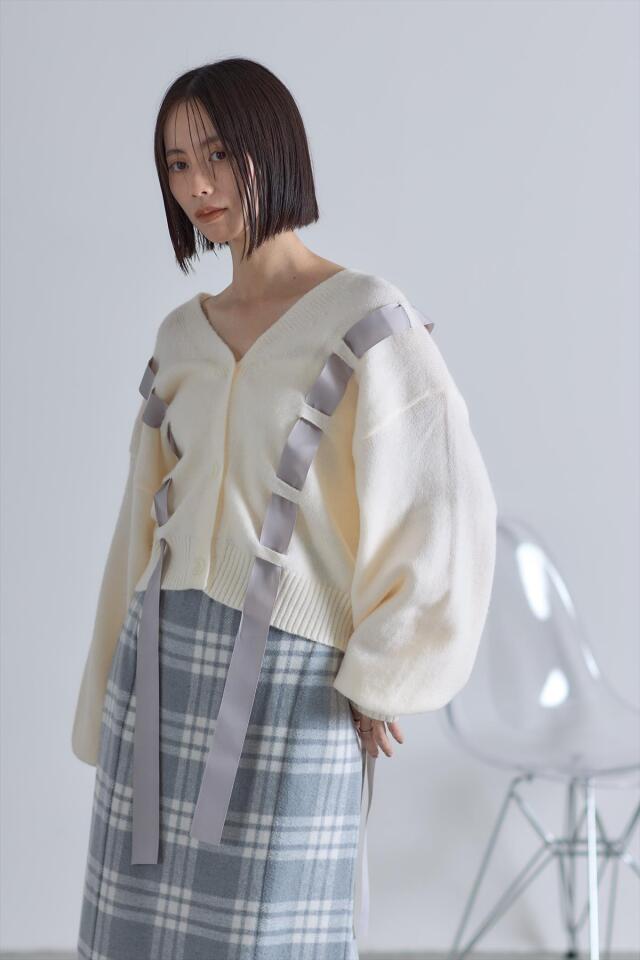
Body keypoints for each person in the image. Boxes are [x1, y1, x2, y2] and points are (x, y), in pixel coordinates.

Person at [73, 57, 497, 959]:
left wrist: (386, 667)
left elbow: (441, 498)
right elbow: (137, 529)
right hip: (160, 669)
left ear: (274, 147)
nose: (198, 185)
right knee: (135, 936)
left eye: (218, 155)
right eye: (177, 164)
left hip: (294, 677)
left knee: (276, 934)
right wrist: (102, 690)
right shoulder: (179, 337)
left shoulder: (367, 317)